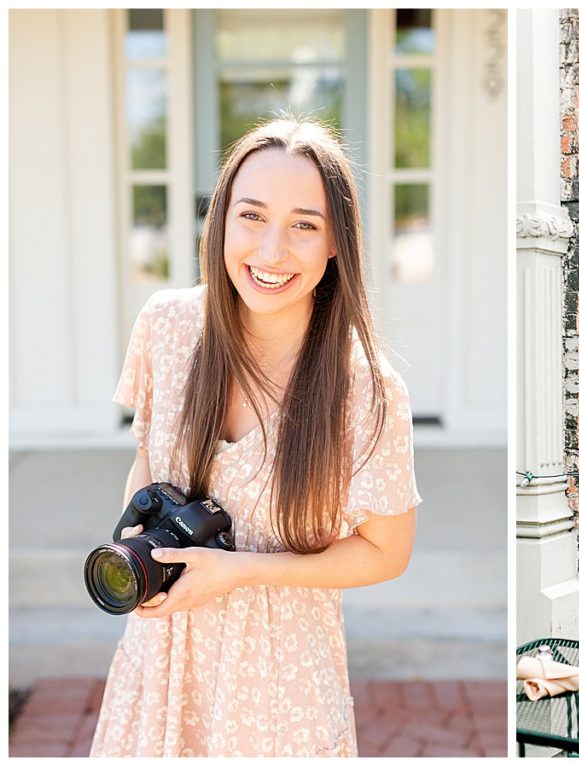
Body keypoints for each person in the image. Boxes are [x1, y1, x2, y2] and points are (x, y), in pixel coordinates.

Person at [90, 118, 421, 757]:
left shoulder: (366, 388)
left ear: (335, 245)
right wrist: (135, 538)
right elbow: (144, 458)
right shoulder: (166, 324)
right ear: (219, 224)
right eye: (251, 216)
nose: (271, 252)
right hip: (161, 658)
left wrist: (237, 572)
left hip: (282, 682)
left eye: (304, 224)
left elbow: (387, 553)